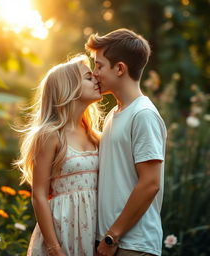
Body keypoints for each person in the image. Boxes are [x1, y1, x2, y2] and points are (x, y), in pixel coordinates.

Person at [85, 28, 167, 256]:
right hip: (111, 242)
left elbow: (151, 183)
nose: (95, 73)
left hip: (132, 245)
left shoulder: (143, 114)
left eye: (99, 65)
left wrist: (113, 236)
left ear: (120, 68)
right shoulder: (114, 114)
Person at [15, 55, 102, 256]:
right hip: (62, 231)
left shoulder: (95, 135)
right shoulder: (50, 135)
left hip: (92, 230)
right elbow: (39, 195)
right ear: (68, 88)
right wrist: (55, 249)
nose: (96, 80)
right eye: (88, 78)